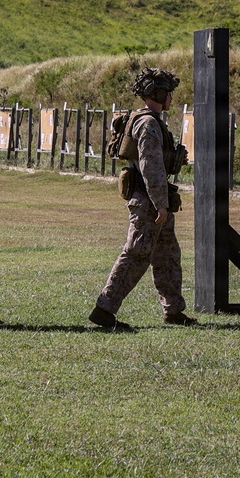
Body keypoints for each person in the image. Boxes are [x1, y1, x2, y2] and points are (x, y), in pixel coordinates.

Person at [89, 68, 197, 329]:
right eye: (168, 92)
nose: (171, 97)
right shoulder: (148, 123)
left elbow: (156, 162)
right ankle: (105, 309)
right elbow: (150, 166)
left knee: (167, 255)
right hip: (149, 202)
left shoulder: (149, 120)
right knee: (136, 254)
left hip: (153, 200)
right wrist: (160, 204)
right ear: (158, 94)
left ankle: (173, 310)